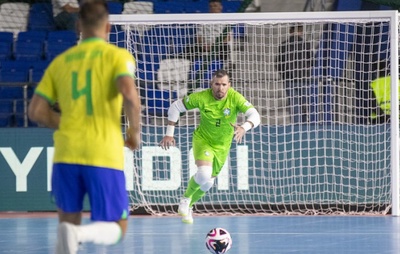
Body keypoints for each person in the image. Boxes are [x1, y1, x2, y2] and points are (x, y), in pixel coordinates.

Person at [28, 0, 141, 253]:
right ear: (109, 28)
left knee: (66, 230)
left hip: (66, 155)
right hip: (103, 154)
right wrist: (134, 133)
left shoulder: (61, 62)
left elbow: (35, 111)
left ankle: (74, 231)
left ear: (78, 26)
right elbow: (130, 96)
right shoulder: (117, 56)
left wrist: (66, 123)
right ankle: (79, 233)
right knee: (117, 228)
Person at [159, 69, 260, 224]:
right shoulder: (201, 97)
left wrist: (244, 127)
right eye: (217, 84)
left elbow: (255, 115)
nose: (220, 88)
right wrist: (169, 133)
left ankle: (190, 206)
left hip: (222, 145)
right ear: (211, 84)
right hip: (203, 139)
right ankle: (185, 199)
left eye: (224, 84)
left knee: (208, 183)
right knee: (204, 173)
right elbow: (175, 107)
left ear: (229, 85)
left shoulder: (235, 98)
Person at [275, 24, 312, 123]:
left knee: (293, 103)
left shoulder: (283, 45)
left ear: (290, 31)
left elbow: (279, 62)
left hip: (289, 78)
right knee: (304, 103)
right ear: (301, 32)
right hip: (304, 78)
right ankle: (304, 124)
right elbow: (311, 61)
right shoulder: (306, 44)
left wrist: (284, 75)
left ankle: (296, 125)